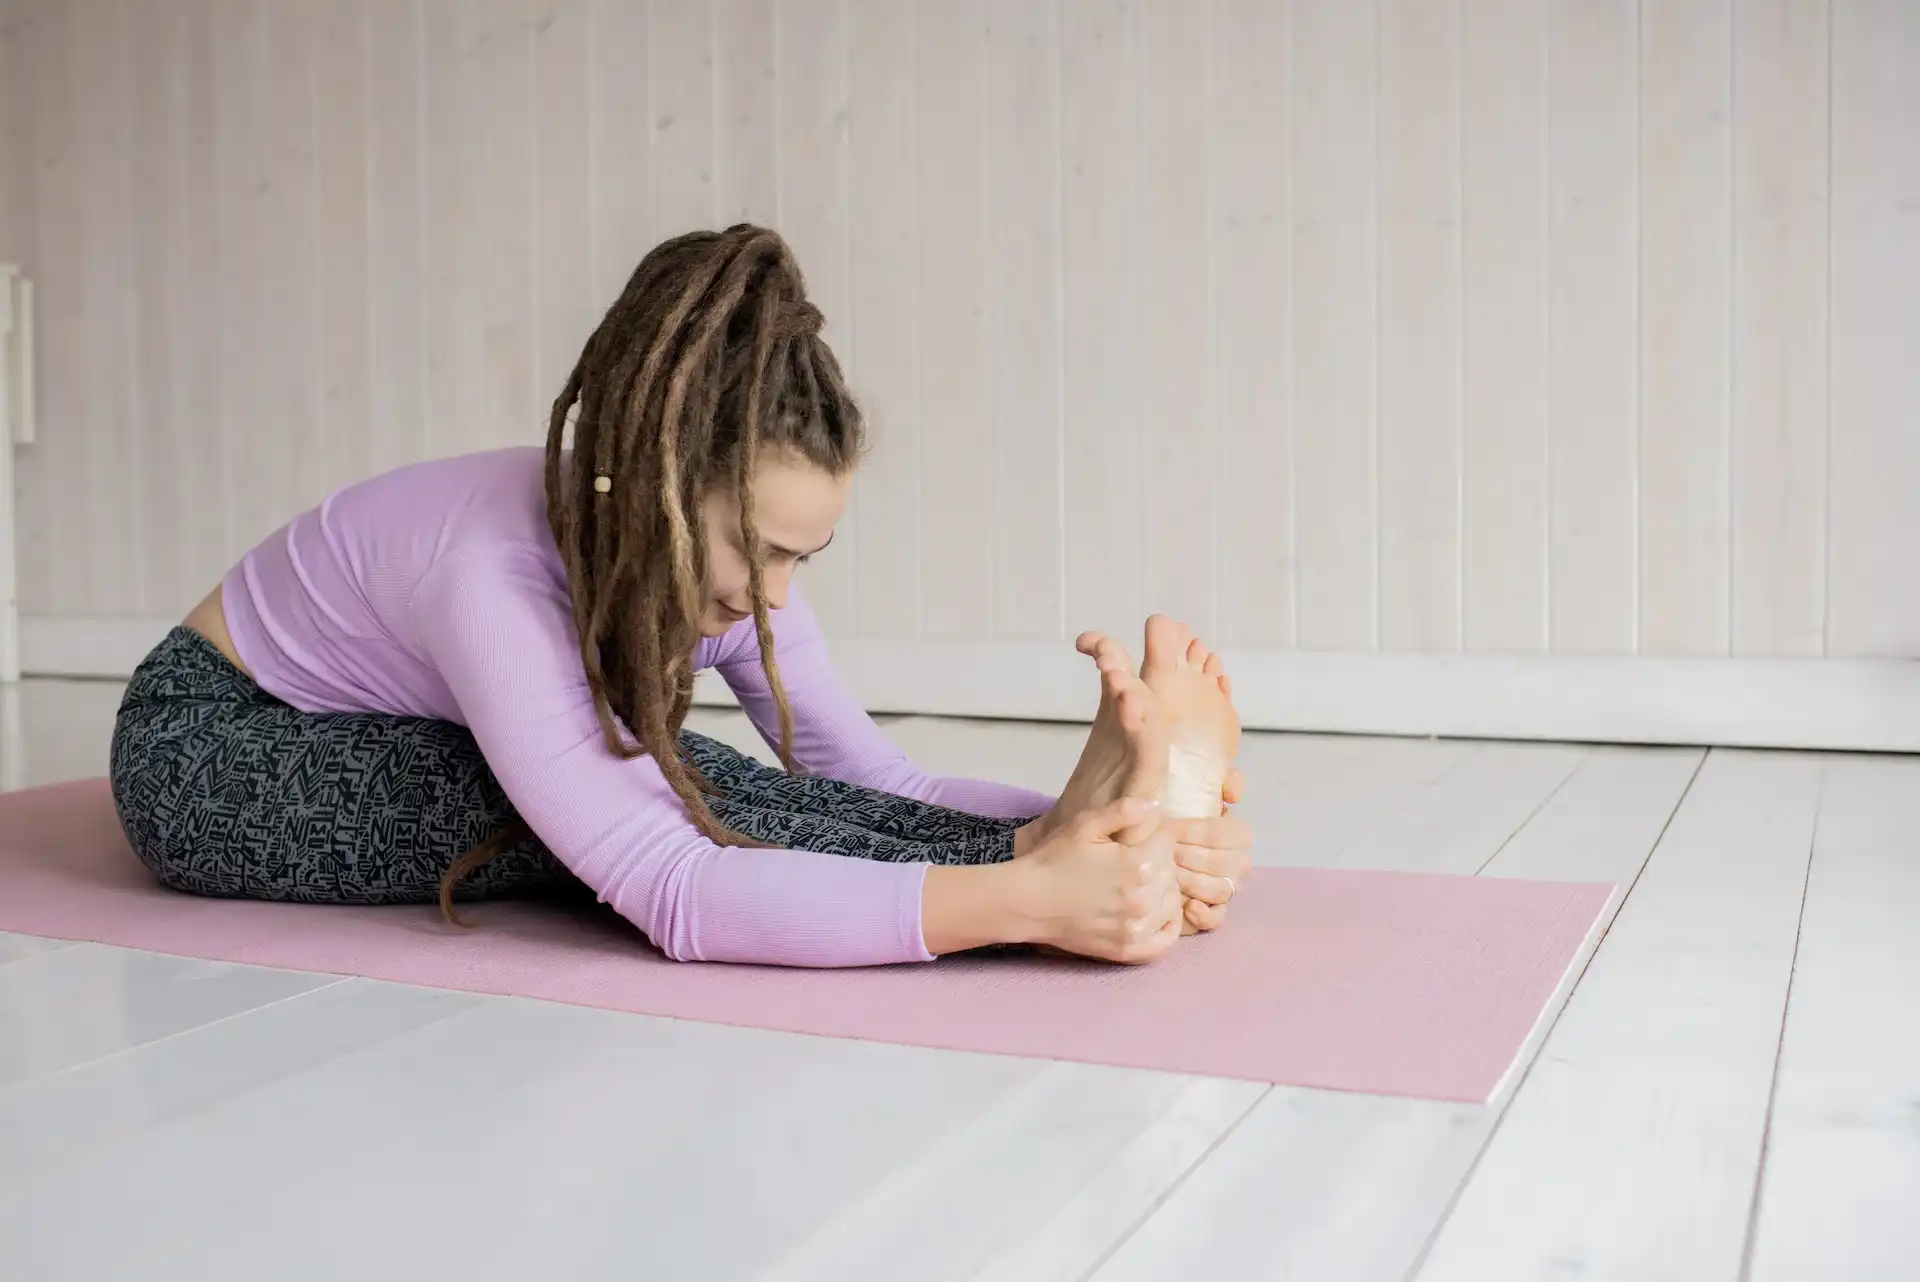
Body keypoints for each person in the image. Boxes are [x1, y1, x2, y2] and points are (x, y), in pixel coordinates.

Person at [106, 224, 1251, 970]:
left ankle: (1061, 830)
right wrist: (1032, 905)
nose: (771, 596)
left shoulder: (739, 578)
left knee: (677, 774)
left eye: (805, 557)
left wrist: (1071, 834)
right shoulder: (490, 580)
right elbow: (675, 888)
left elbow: (872, 777)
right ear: (656, 488)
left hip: (358, 723)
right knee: (654, 791)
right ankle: (1039, 858)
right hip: (214, 750)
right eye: (754, 549)